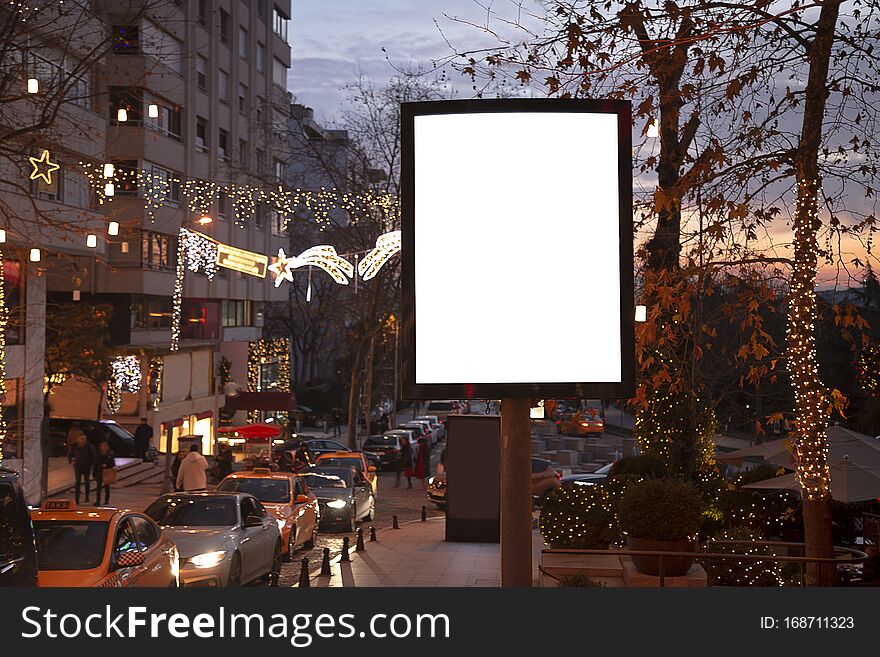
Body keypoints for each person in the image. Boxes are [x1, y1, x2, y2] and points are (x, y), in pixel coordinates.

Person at [68, 433, 96, 505]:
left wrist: (93, 465)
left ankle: (87, 496)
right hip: (78, 466)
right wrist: (71, 461)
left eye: (84, 439)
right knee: (78, 482)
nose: (83, 440)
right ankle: (76, 498)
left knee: (87, 481)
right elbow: (70, 455)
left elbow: (93, 456)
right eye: (82, 439)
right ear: (78, 439)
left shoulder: (89, 447)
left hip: (87, 466)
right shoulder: (74, 446)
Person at [92, 441, 115, 506]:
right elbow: (95, 464)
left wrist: (107, 465)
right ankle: (98, 501)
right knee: (98, 487)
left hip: (107, 472)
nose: (104, 448)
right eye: (103, 446)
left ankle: (106, 500)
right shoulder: (97, 455)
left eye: (106, 446)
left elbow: (113, 464)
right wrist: (94, 473)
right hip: (99, 472)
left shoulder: (110, 455)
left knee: (107, 487)